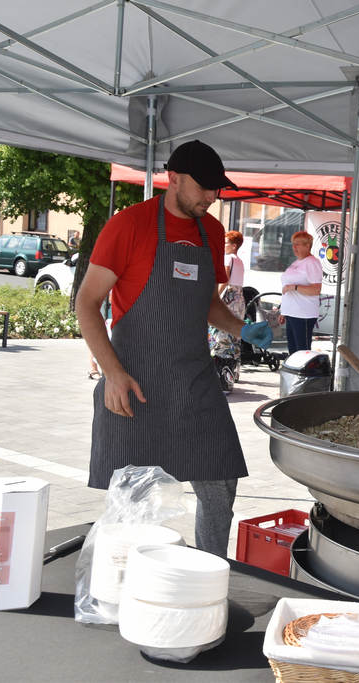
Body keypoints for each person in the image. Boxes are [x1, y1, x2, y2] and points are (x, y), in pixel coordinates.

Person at [76, 139, 272, 557]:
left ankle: (211, 571)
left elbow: (204, 302)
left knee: (219, 482)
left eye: (216, 189)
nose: (211, 197)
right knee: (134, 499)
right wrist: (112, 373)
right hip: (135, 384)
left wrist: (241, 329)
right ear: (174, 178)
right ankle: (127, 581)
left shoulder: (212, 230)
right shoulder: (128, 225)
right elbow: (86, 303)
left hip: (194, 381)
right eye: (203, 187)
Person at [208, 230, 246, 389]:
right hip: (238, 298)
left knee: (221, 334)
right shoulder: (239, 261)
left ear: (234, 245)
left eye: (225, 243)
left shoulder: (228, 258)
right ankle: (232, 372)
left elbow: (224, 279)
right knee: (234, 335)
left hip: (228, 298)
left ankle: (222, 375)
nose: (223, 246)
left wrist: (213, 296)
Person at [279, 230, 322, 354]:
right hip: (292, 312)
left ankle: (305, 373)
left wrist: (295, 287)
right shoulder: (296, 263)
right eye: (293, 244)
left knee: (302, 350)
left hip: (303, 314)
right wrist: (284, 310)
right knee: (293, 350)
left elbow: (316, 289)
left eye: (298, 244)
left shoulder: (312, 263)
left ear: (307, 246)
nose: (294, 247)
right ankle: (294, 373)